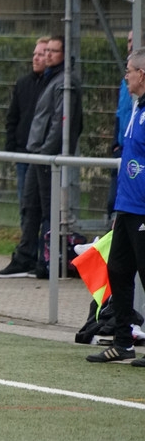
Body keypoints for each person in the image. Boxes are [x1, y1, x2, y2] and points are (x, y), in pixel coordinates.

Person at [0, 34, 83, 279]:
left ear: (64, 55)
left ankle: (48, 260)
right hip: (36, 155)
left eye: (53, 51)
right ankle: (25, 257)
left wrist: (46, 152)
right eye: (47, 51)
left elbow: (60, 122)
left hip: (47, 158)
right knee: (30, 208)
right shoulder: (48, 80)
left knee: (48, 210)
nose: (47, 55)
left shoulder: (65, 82)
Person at [86, 46, 145, 366]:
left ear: (142, 75)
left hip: (143, 209)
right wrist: (119, 207)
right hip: (128, 207)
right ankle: (123, 341)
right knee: (118, 271)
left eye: (128, 72)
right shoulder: (137, 108)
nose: (125, 78)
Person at [4, 37, 48, 212]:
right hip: (23, 153)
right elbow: (12, 117)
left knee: (44, 204)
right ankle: (27, 237)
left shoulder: (53, 85)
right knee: (25, 203)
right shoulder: (22, 84)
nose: (36, 58)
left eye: (41, 54)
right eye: (34, 54)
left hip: (44, 153)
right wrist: (11, 149)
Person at [108, 30, 134, 219]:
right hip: (122, 148)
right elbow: (120, 112)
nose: (131, 44)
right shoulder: (126, 81)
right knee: (113, 202)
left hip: (136, 154)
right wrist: (115, 143)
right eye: (128, 40)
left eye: (135, 40)